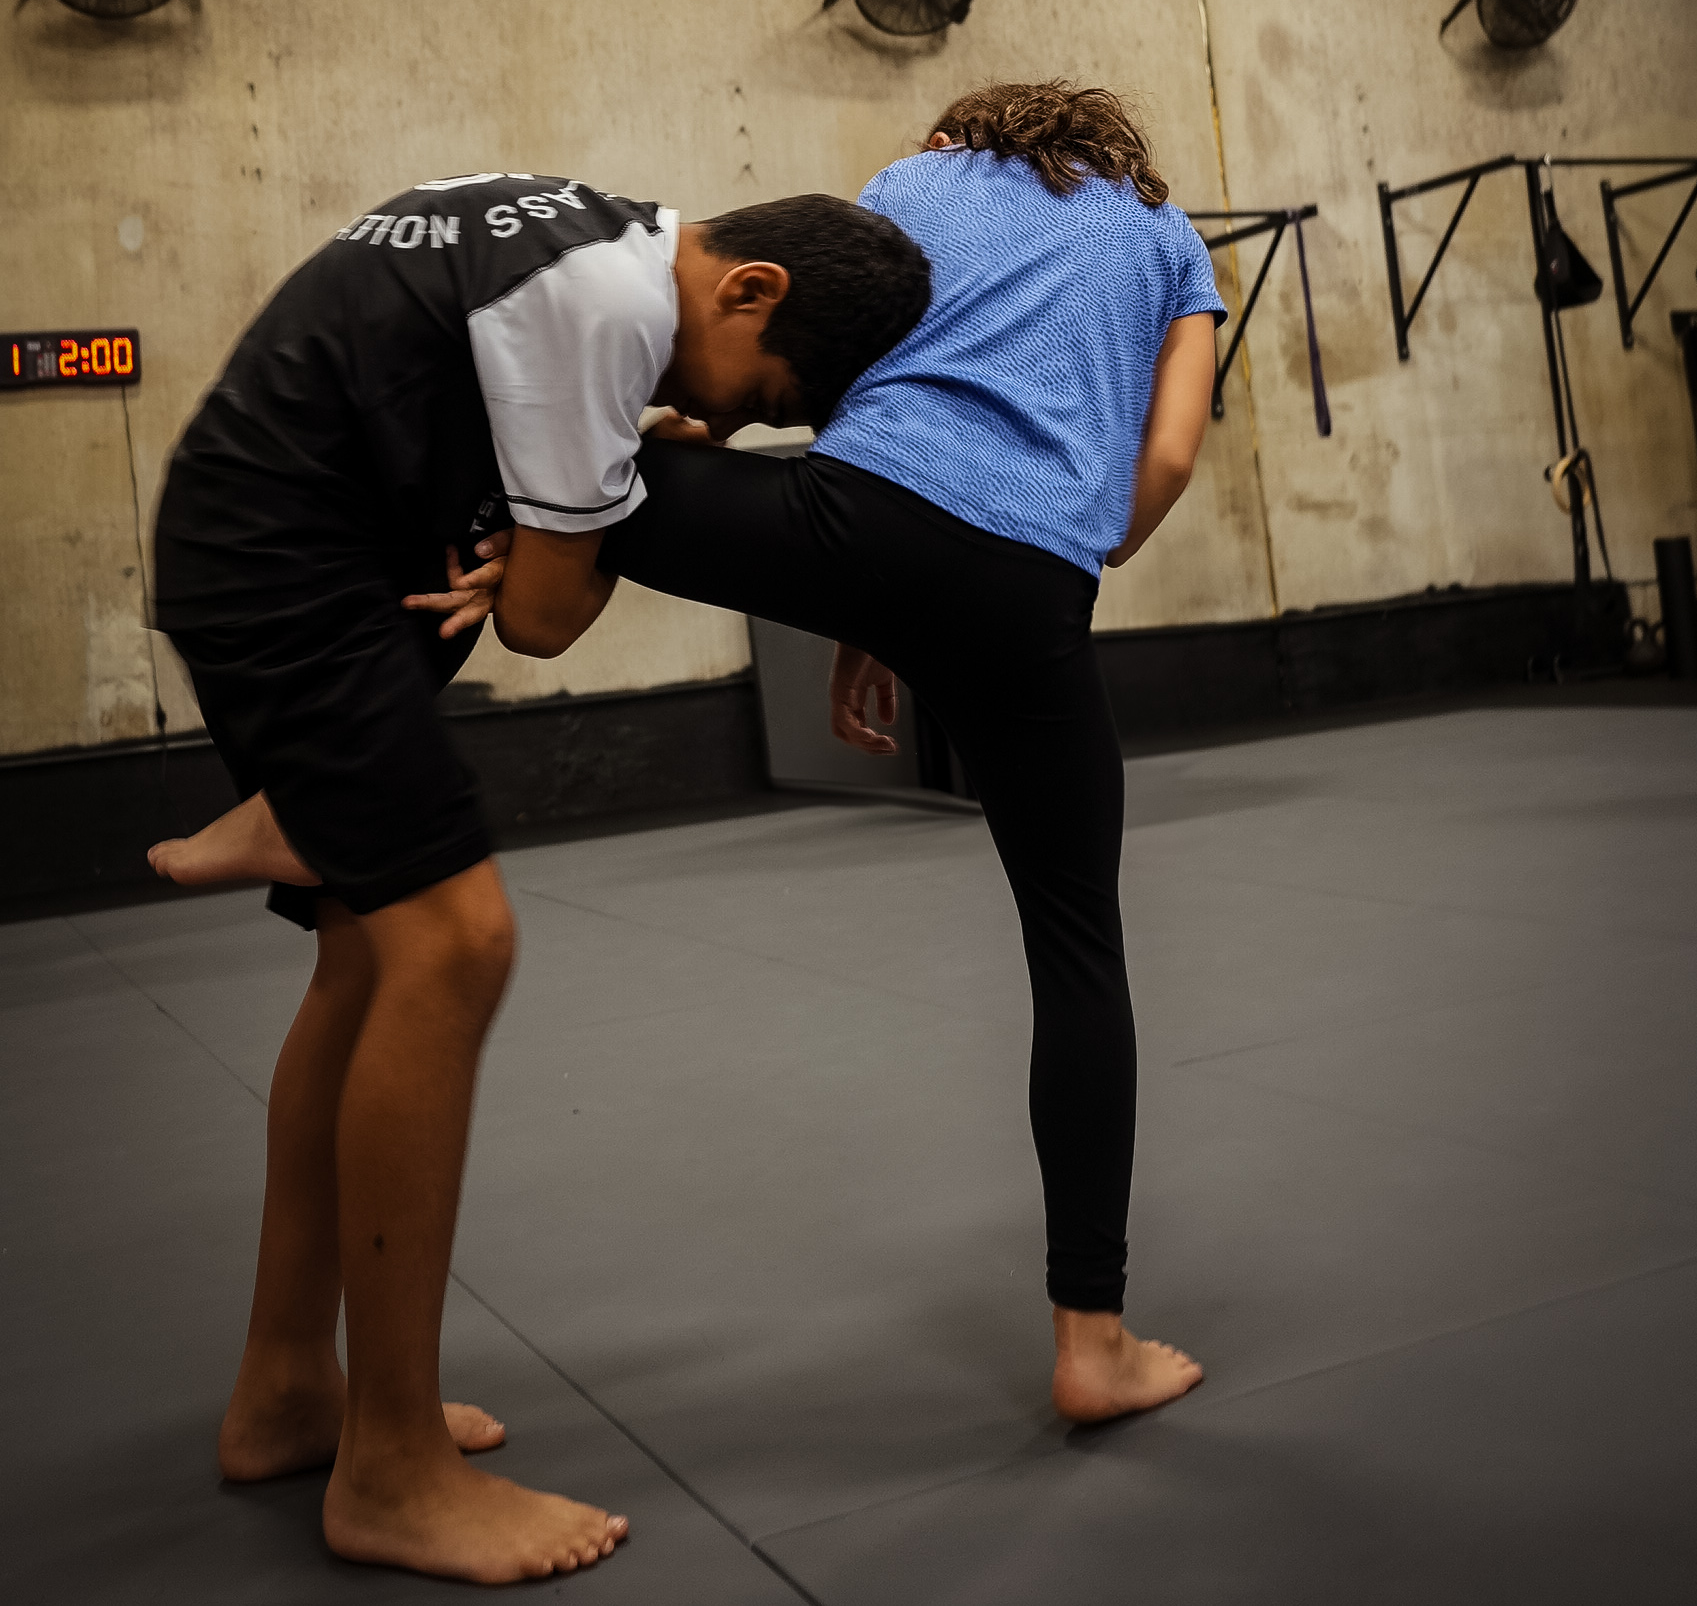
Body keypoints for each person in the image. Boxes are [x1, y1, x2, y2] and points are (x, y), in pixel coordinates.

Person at [144, 171, 929, 1585]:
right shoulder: (611, 311)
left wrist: (561, 504)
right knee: (459, 945)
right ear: (748, 289)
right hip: (295, 576)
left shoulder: (592, 236)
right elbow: (547, 619)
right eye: (757, 395)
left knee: (367, 961)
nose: (723, 423)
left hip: (278, 545)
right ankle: (390, 1470)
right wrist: (596, 507)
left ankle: (287, 1389)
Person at [438, 82, 1223, 1425]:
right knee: (1078, 950)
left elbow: (840, 366)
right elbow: (1166, 458)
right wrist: (1050, 569)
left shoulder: (916, 182)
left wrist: (869, 596)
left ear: (970, 129)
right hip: (1034, 590)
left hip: (849, 515)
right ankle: (1093, 1341)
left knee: (569, 477)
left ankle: (374, 699)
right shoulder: (1172, 243)